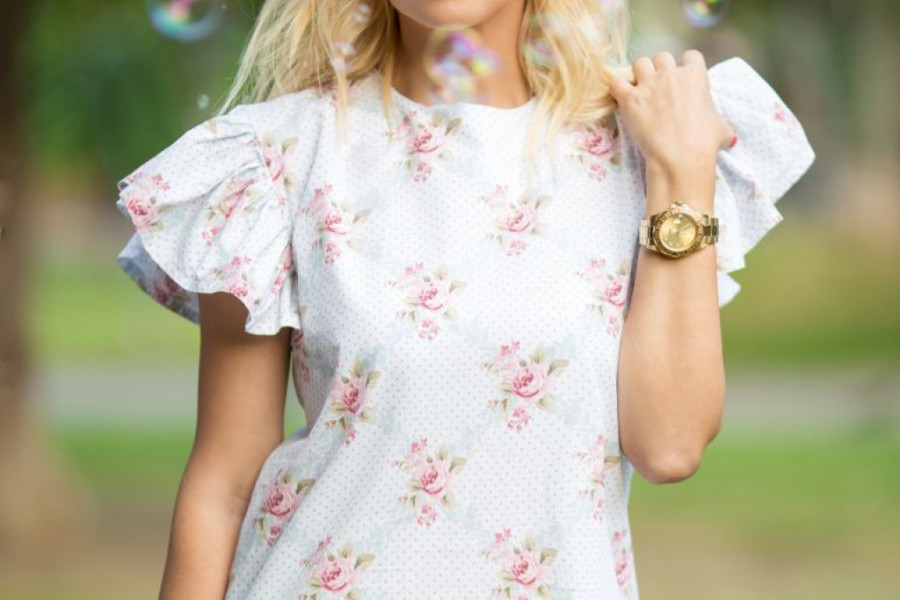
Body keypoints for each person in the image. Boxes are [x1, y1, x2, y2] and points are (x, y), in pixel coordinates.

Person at [114, 1, 815, 598]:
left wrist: (682, 173)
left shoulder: (644, 146)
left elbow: (670, 446)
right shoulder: (276, 158)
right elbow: (226, 483)